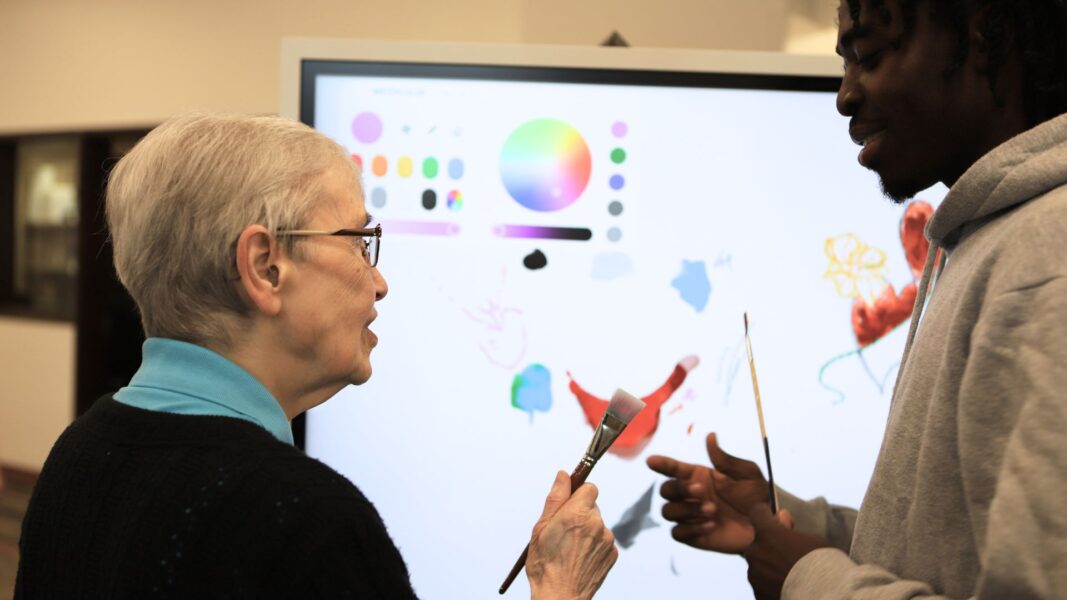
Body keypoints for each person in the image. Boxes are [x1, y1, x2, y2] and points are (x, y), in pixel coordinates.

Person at [15, 113, 618, 599]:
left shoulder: (79, 453)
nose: (378, 284)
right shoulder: (307, 522)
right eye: (359, 242)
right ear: (265, 267)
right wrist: (559, 590)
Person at [649, 0, 1067, 598]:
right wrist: (791, 524)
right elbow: (949, 547)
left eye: (867, 56)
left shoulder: (1046, 255)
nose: (845, 97)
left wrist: (806, 576)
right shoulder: (978, 238)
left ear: (981, 36)